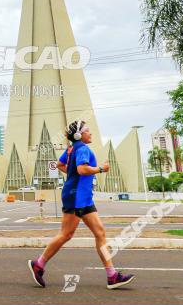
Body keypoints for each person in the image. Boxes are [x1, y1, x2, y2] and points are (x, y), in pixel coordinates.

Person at [28, 120, 135, 290]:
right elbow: (82, 170)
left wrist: (71, 173)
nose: (90, 132)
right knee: (66, 235)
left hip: (84, 198)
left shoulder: (71, 149)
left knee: (100, 232)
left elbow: (61, 164)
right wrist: (101, 169)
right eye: (87, 130)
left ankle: (112, 276)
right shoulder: (83, 149)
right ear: (79, 135)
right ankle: (38, 265)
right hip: (76, 197)